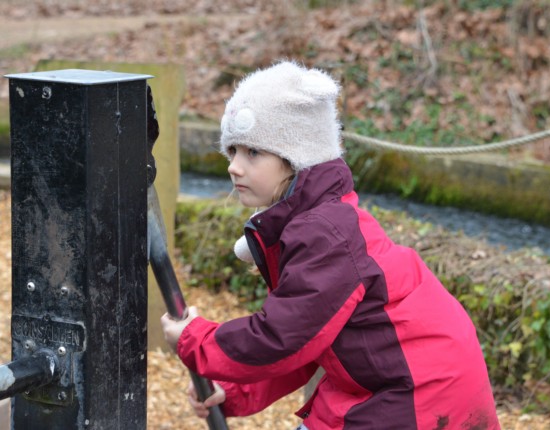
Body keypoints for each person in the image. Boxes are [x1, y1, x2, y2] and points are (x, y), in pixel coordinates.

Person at [161, 60, 501, 429]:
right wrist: (235, 390)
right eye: (233, 152)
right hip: (399, 381)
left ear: (295, 161)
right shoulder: (316, 222)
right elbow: (313, 338)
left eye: (253, 153)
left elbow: (284, 336)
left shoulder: (324, 235)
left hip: (418, 393)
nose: (234, 166)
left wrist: (197, 341)